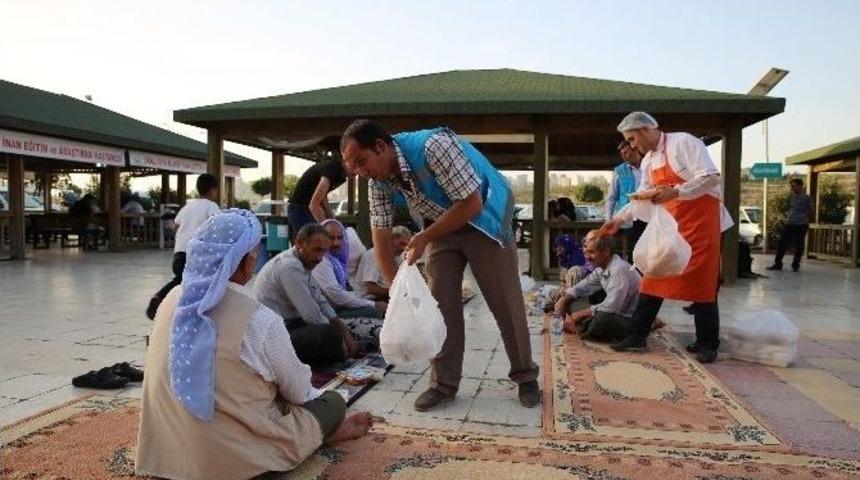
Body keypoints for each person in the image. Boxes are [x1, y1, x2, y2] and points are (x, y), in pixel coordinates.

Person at [135, 210, 372, 480]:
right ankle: (318, 438)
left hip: (166, 452)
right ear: (248, 261)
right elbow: (299, 392)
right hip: (232, 462)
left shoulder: (171, 298)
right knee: (333, 402)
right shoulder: (258, 318)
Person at [340, 119, 540, 411]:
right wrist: (397, 290)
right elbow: (380, 235)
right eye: (353, 167)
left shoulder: (433, 146)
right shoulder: (377, 182)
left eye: (361, 161)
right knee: (439, 307)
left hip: (485, 221)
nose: (360, 171)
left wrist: (425, 237)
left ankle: (526, 376)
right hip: (440, 229)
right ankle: (442, 385)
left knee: (505, 303)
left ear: (381, 147)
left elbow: (471, 203)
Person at [604, 112, 733, 364]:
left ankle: (708, 343)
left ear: (645, 129)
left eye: (632, 139)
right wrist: (618, 219)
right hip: (672, 226)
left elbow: (710, 177)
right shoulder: (648, 161)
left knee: (703, 283)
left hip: (701, 224)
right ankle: (637, 336)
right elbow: (641, 196)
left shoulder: (683, 142)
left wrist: (676, 192)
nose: (632, 145)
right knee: (653, 274)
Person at [254, 223, 380, 362]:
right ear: (299, 243)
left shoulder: (303, 263)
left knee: (342, 326)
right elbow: (311, 315)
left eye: (324, 251)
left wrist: (343, 330)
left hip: (294, 325)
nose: (320, 257)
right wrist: (340, 337)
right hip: (276, 334)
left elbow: (320, 301)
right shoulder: (289, 266)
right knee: (329, 333)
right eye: (317, 250)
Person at [554, 235, 663, 342]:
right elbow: (581, 287)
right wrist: (564, 300)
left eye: (591, 252)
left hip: (630, 318)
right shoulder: (601, 269)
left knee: (602, 319)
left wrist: (584, 312)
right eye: (586, 252)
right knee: (572, 300)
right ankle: (584, 327)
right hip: (616, 312)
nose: (587, 257)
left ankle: (580, 329)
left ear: (606, 251)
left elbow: (612, 306)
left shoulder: (619, 269)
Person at [146, 174, 220, 320]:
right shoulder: (211, 206)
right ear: (212, 190)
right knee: (198, 282)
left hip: (179, 253)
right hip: (196, 254)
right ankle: (190, 310)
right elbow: (217, 225)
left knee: (181, 280)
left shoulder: (188, 206)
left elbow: (175, 225)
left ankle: (162, 299)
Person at [312, 219, 387, 319]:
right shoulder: (320, 260)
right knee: (377, 312)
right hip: (326, 314)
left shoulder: (335, 259)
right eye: (331, 238)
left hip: (337, 307)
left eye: (340, 238)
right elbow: (336, 295)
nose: (336, 243)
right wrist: (373, 304)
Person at [606, 140, 647, 262]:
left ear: (636, 149)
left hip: (649, 215)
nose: (623, 156)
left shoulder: (648, 165)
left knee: (649, 248)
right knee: (632, 250)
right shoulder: (619, 170)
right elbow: (611, 196)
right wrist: (608, 219)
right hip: (629, 216)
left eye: (626, 152)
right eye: (622, 154)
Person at [287, 158, 348, 238]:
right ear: (344, 162)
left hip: (307, 208)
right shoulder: (333, 167)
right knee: (314, 240)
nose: (356, 170)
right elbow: (313, 205)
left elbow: (323, 196)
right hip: (299, 208)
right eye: (355, 164)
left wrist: (332, 218)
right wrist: (327, 229)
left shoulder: (341, 177)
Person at [354, 225, 412, 300]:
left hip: (386, 297)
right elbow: (370, 288)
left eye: (406, 245)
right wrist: (397, 293)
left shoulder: (398, 258)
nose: (403, 248)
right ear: (391, 239)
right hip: (369, 299)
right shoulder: (374, 254)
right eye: (402, 244)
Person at [767, 178, 812, 272]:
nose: (792, 188)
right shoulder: (792, 197)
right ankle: (778, 264)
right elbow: (790, 209)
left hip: (801, 224)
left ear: (800, 186)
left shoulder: (806, 198)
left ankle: (795, 265)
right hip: (790, 223)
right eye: (791, 186)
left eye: (794, 186)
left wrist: (805, 218)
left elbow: (811, 210)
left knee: (799, 245)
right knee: (782, 243)